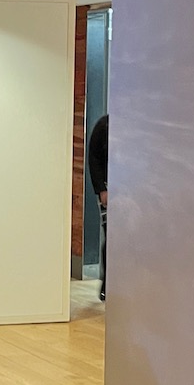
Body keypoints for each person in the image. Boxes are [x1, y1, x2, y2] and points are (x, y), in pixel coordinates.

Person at [87, 114, 108, 301]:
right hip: (109, 189)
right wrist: (101, 189)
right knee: (111, 236)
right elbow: (94, 159)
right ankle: (107, 283)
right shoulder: (104, 125)